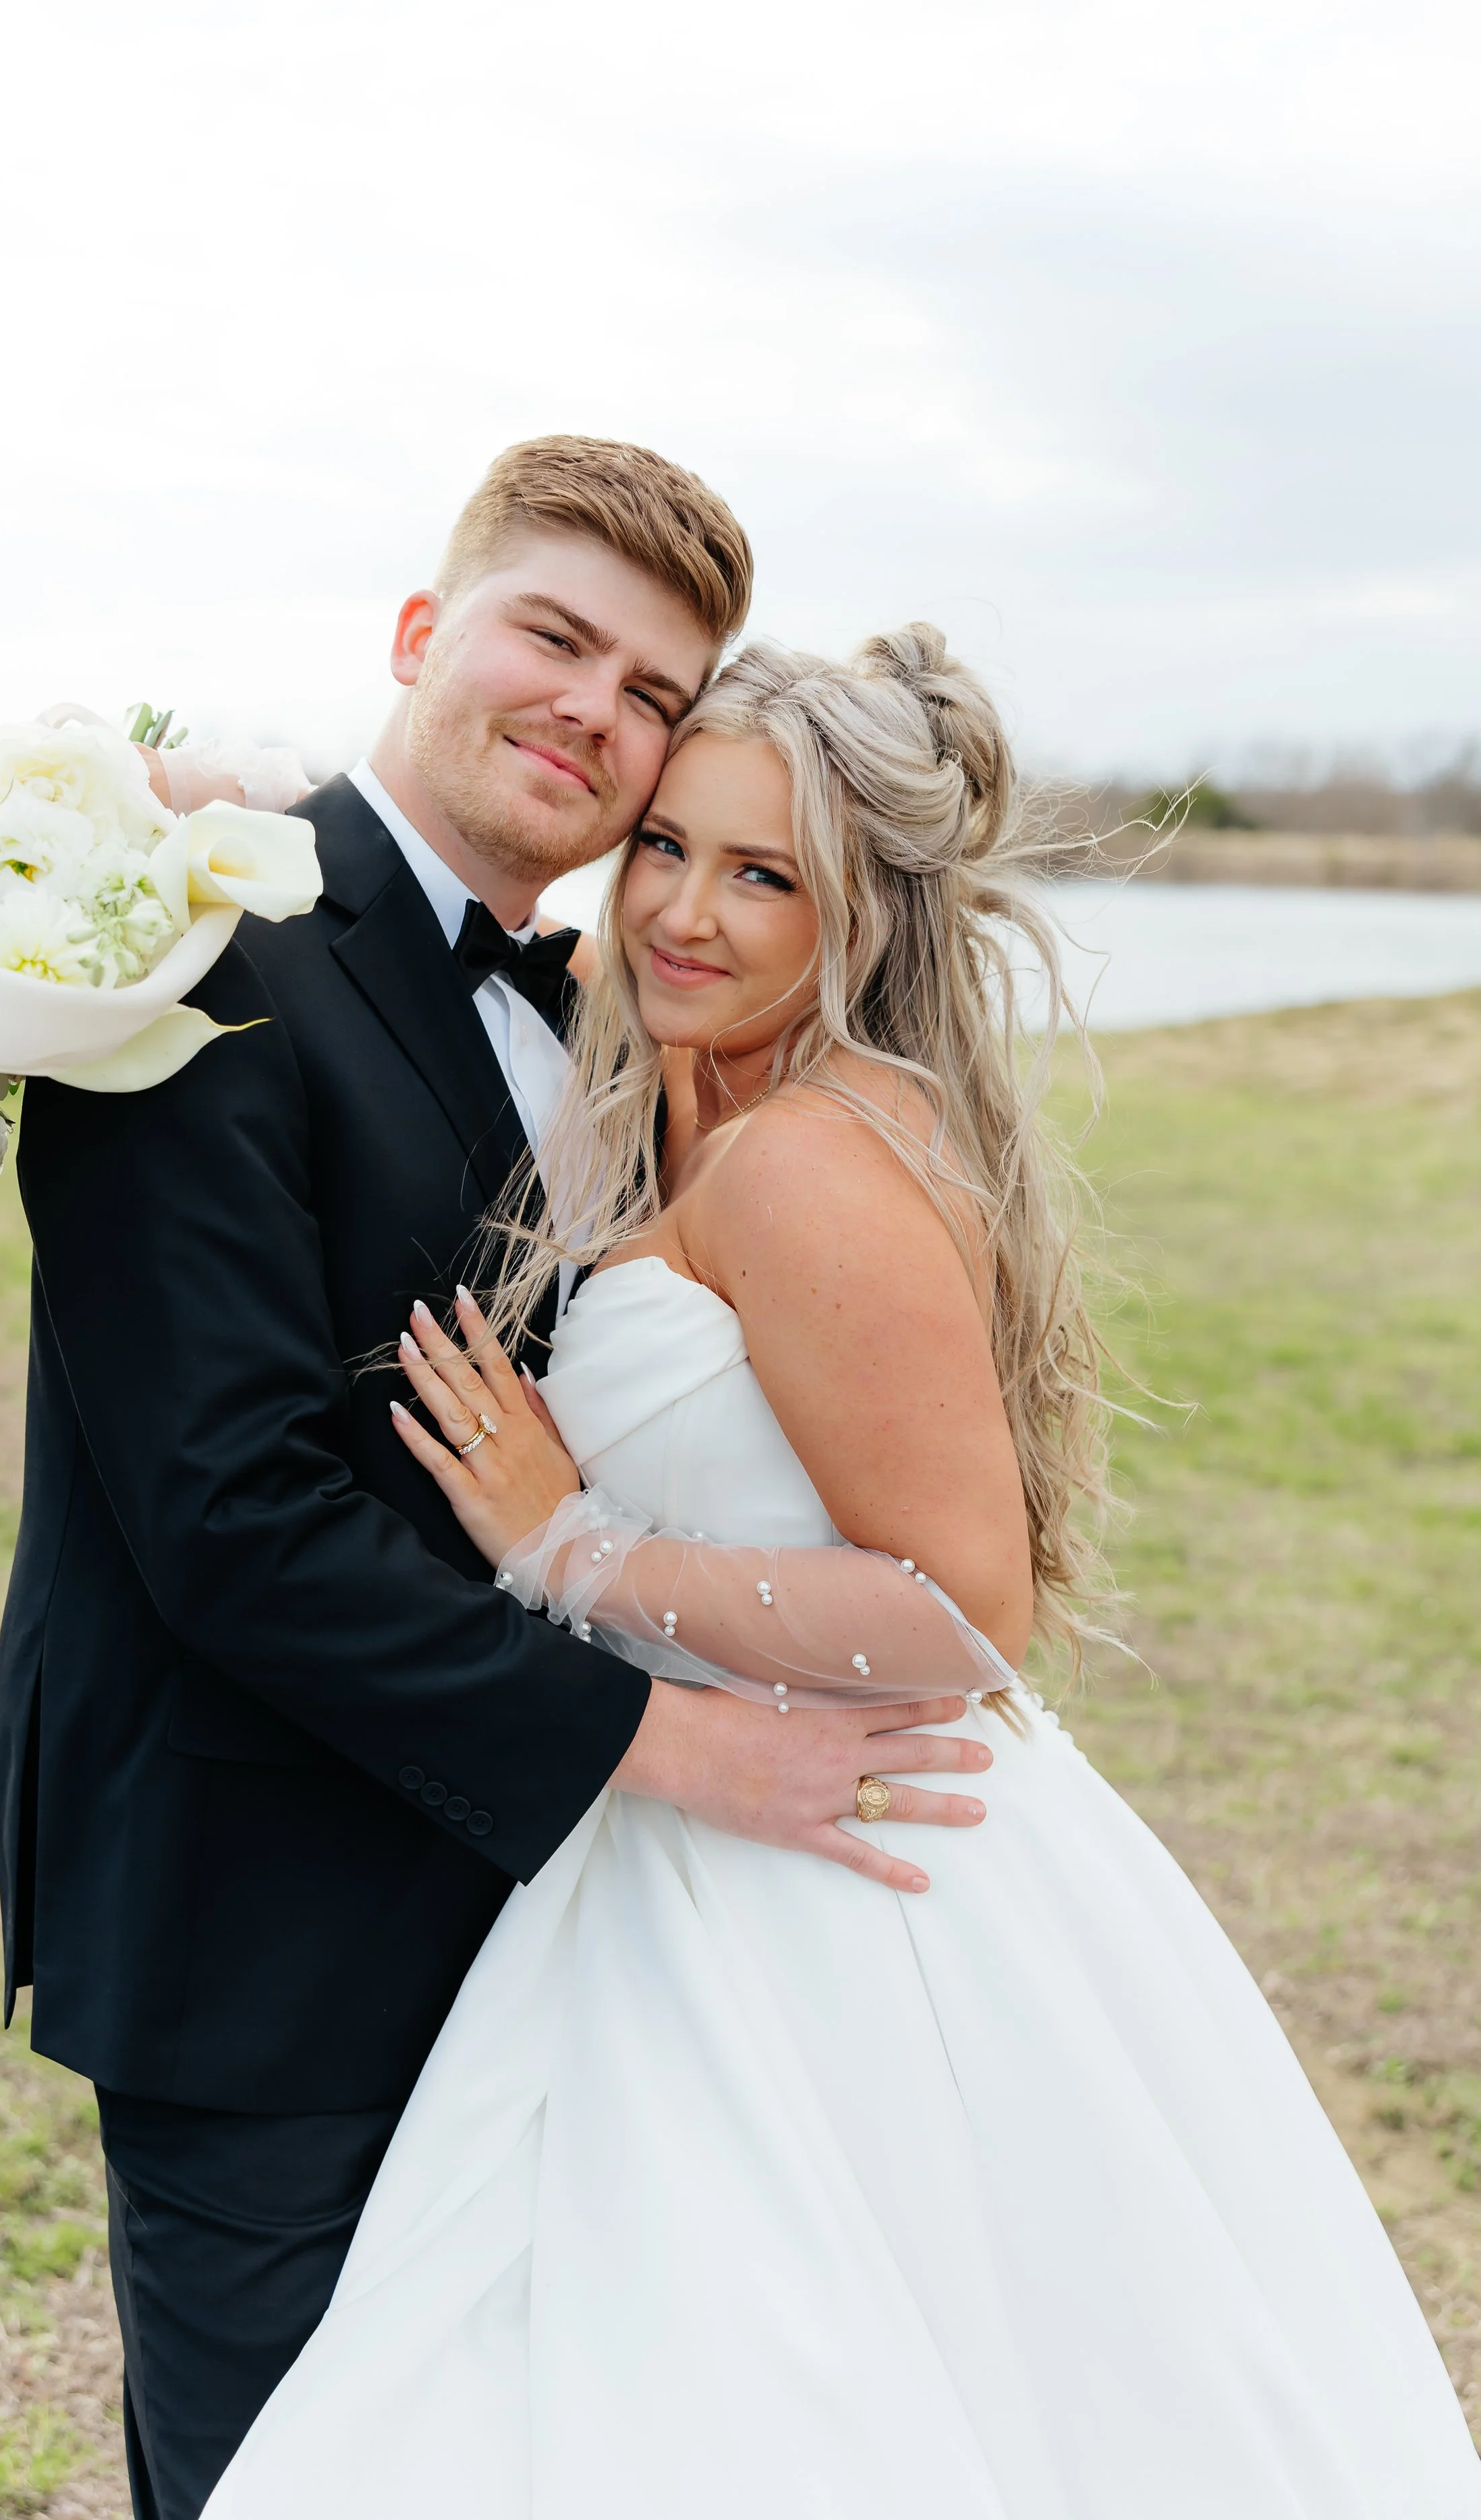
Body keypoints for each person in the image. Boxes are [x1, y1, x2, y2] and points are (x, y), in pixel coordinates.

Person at [205, 629, 1481, 2517]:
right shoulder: (706, 1090)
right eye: (665, 848)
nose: (683, 914)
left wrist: (570, 1544)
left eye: (762, 873)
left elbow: (967, 1609)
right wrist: (190, 808)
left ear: (860, 915)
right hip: (693, 1838)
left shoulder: (803, 1156)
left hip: (843, 1863)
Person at [0, 440, 993, 2520]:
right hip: (259, 1930)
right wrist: (663, 1742)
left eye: (647, 692)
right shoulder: (190, 958)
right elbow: (231, 1519)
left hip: (551, 1934)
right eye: (555, 636)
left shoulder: (607, 1011)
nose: (593, 712)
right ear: (423, 633)